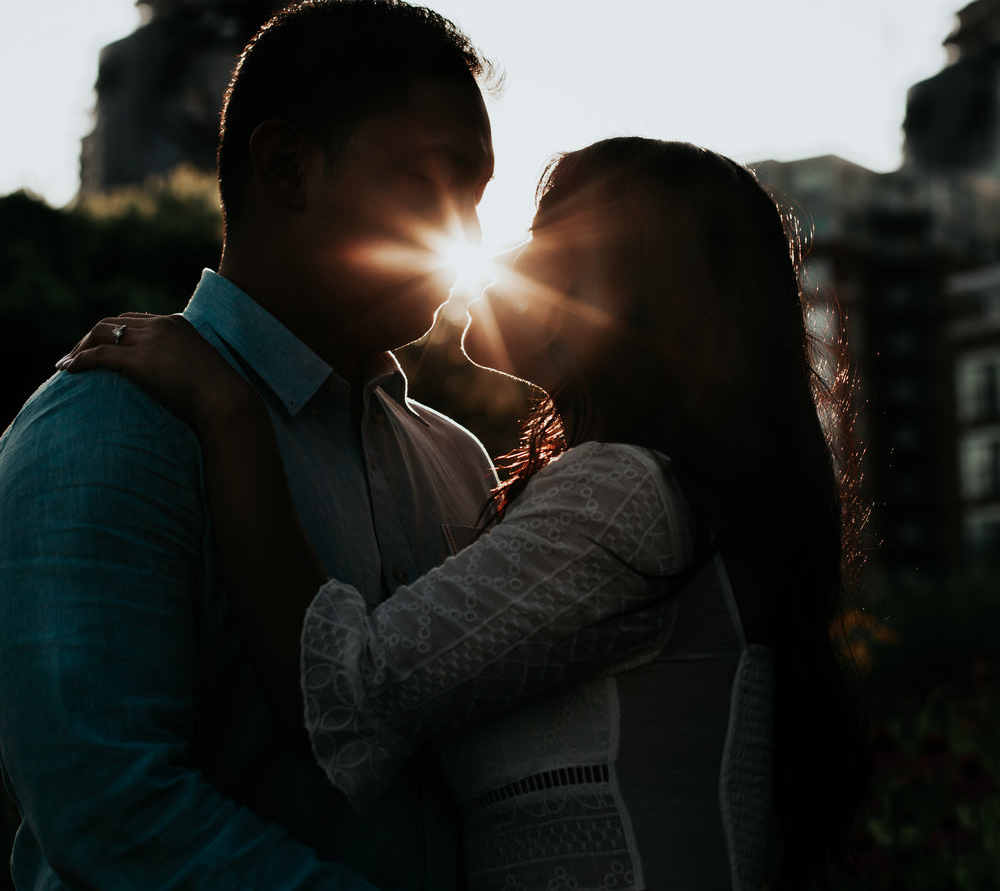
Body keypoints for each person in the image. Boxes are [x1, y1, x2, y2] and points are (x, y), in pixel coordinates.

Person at [62, 138, 871, 891]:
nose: (502, 255)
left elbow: (347, 692)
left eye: (546, 236)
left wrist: (227, 411)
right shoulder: (633, 489)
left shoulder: (624, 492)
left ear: (622, 293)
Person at [0, 0, 500, 891]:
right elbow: (111, 808)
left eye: (476, 194)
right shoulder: (108, 424)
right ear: (283, 168)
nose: (465, 232)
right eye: (428, 183)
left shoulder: (457, 462)